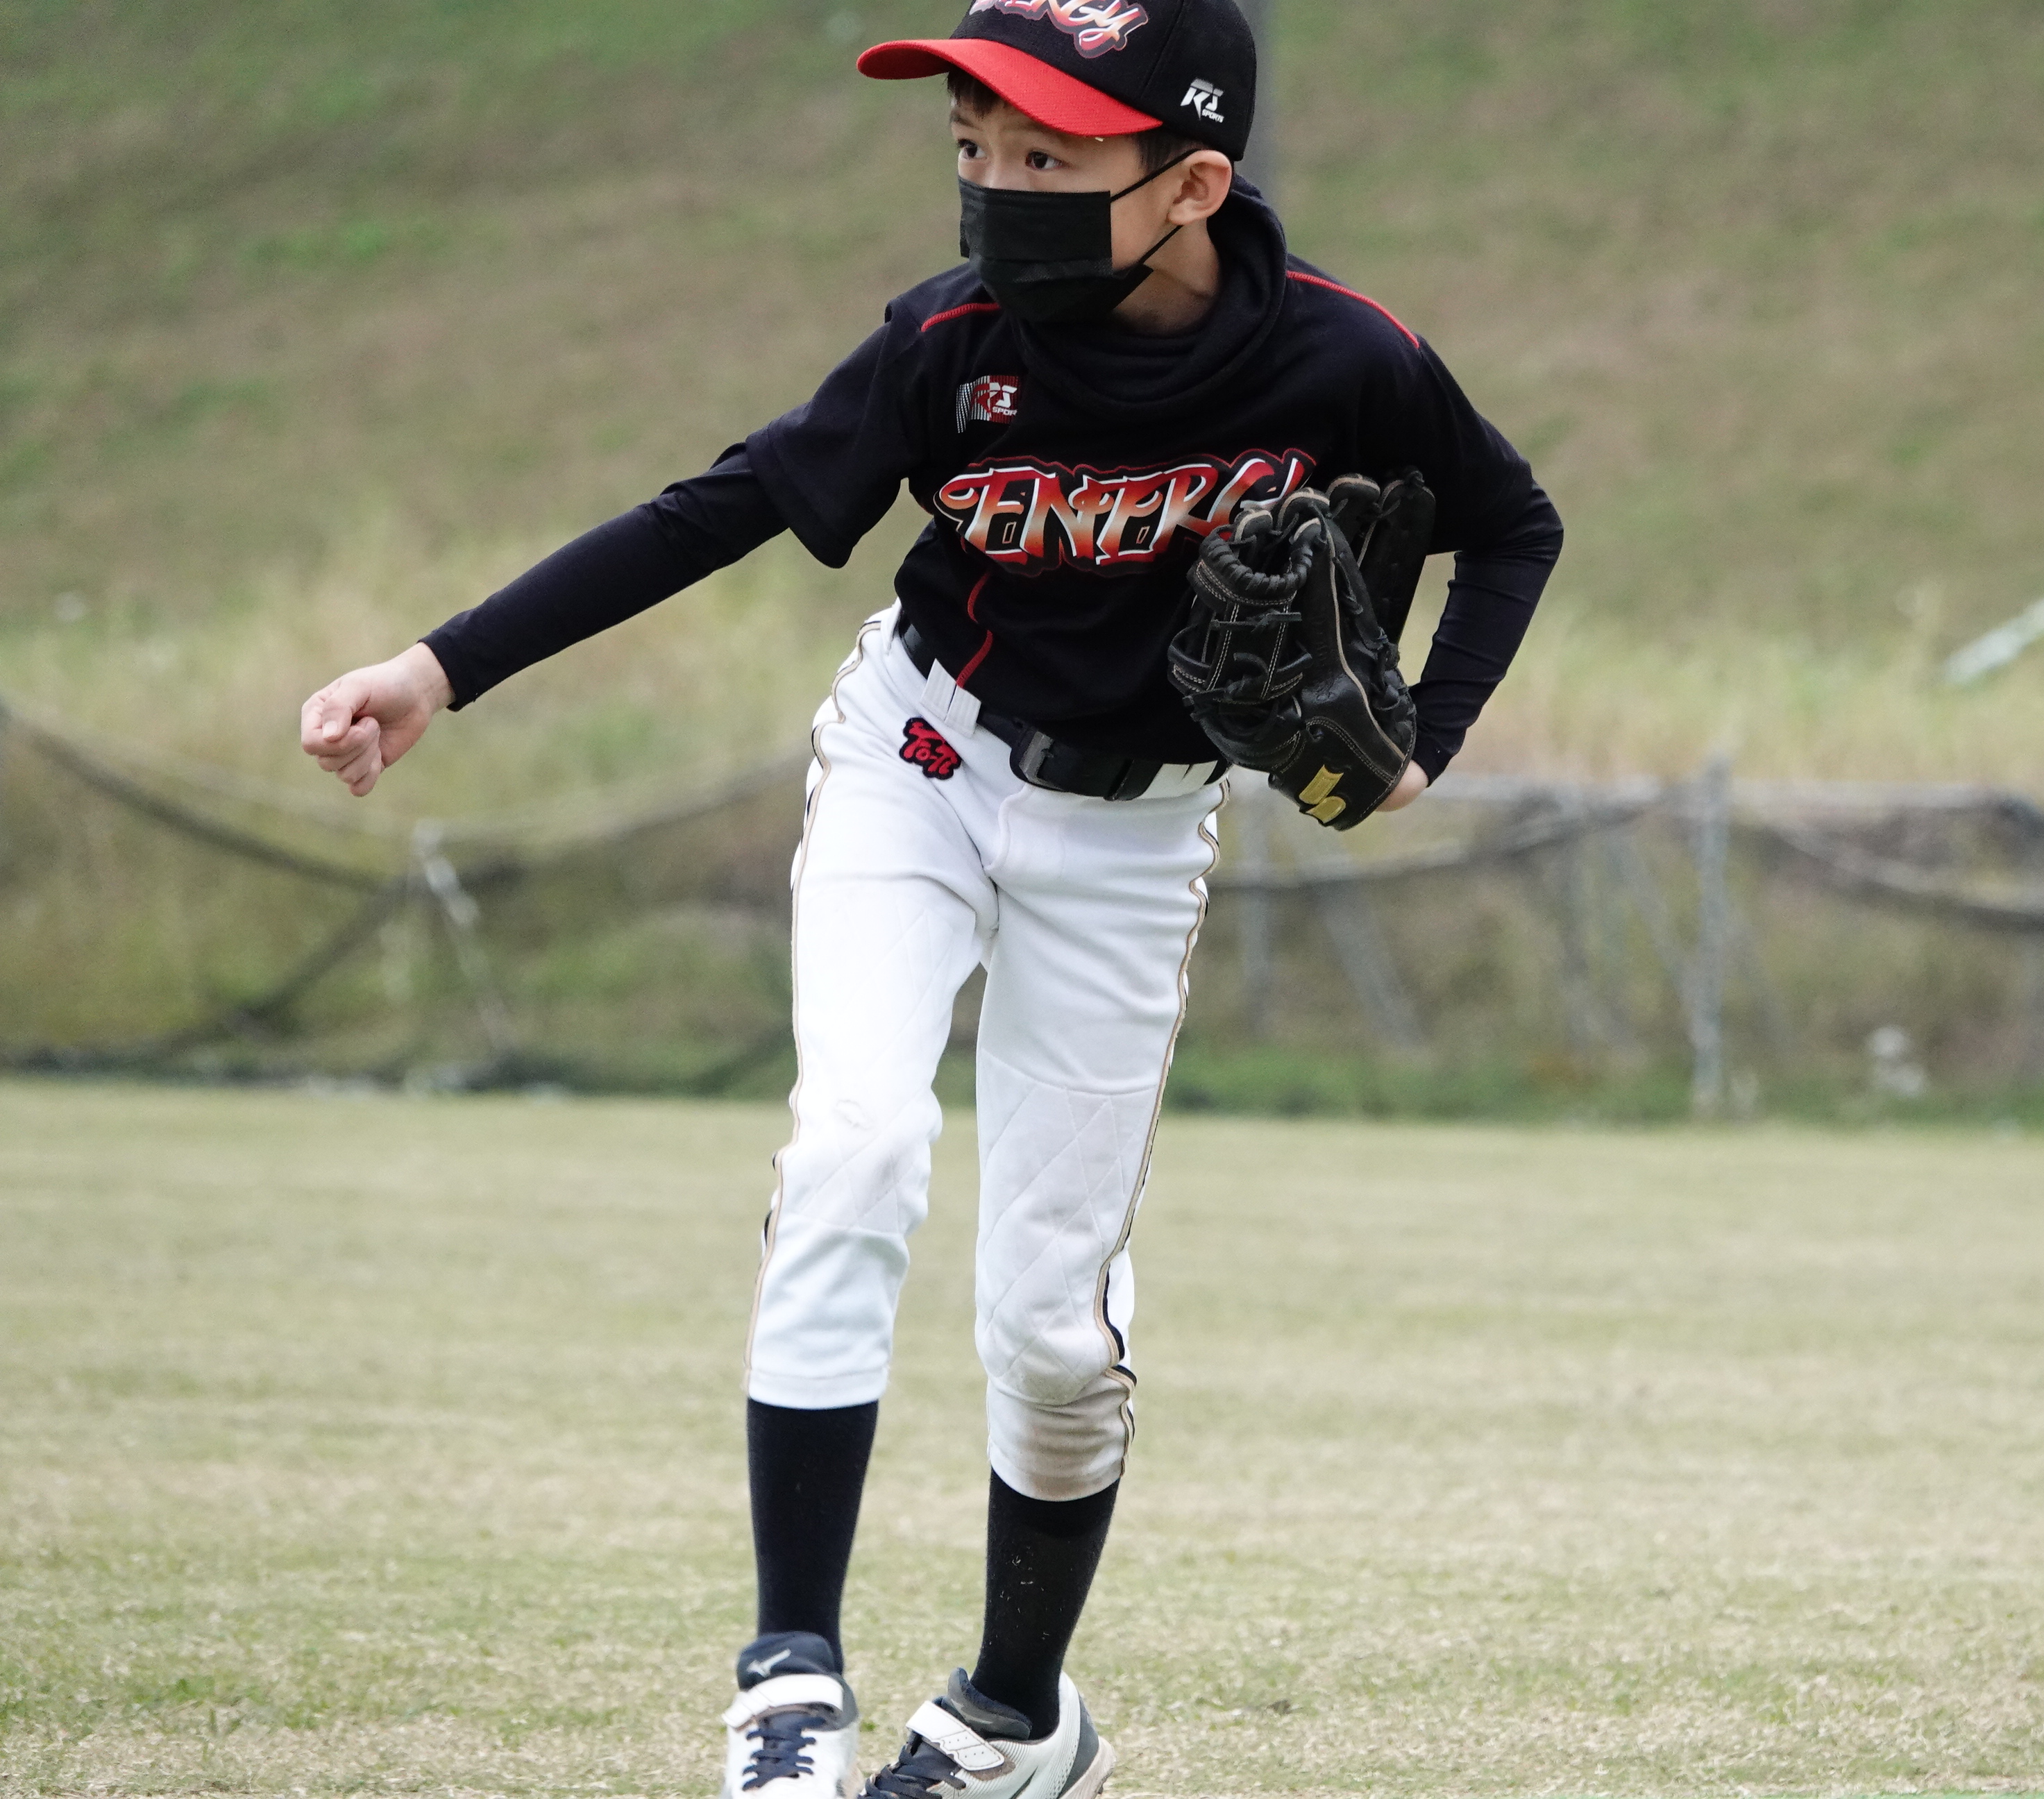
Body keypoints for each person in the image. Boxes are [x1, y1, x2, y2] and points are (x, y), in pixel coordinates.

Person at [297, 3, 1562, 1794]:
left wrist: (1424, 736)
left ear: (1192, 184)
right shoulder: (952, 343)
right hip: (923, 759)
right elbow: (722, 505)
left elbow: (1510, 522)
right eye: (975, 149)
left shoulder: (1344, 358)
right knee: (857, 1147)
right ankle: (787, 1682)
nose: (996, 187)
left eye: (1049, 156)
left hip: (1135, 841)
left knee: (1053, 1326)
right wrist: (440, 667)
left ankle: (1014, 1719)